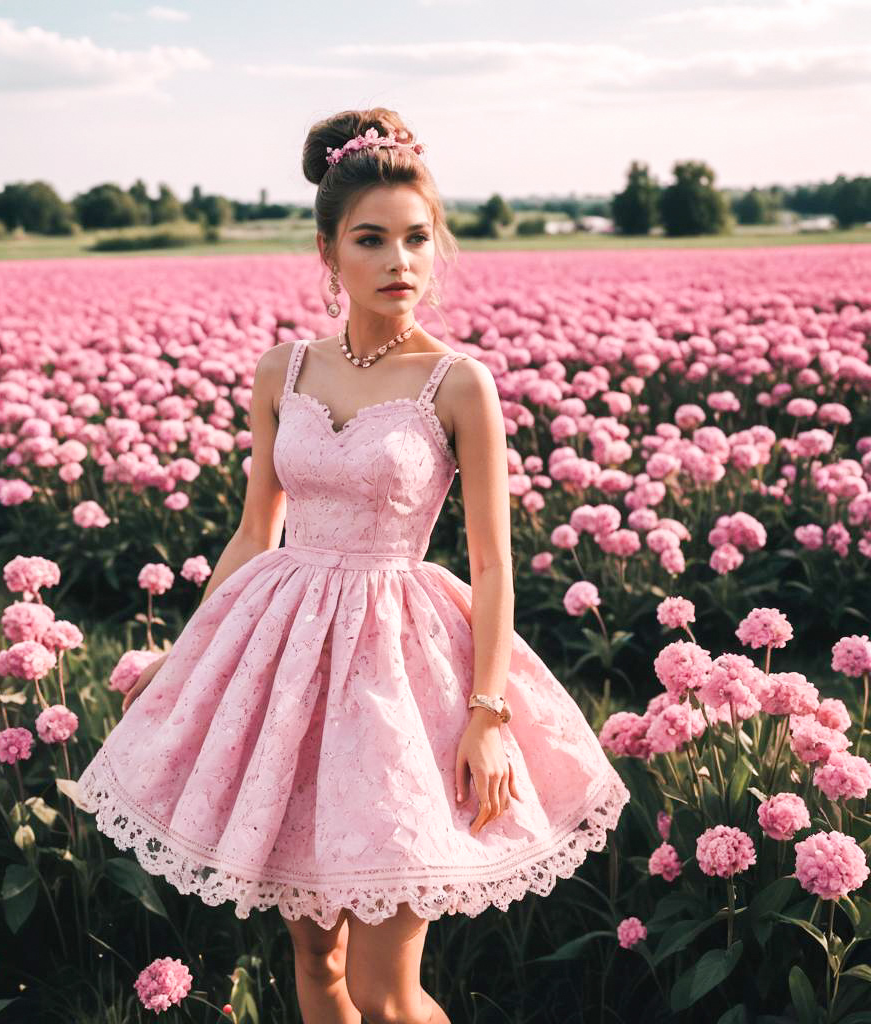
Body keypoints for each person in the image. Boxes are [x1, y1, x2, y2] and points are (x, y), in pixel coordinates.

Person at [75, 107, 631, 1024]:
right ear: (328, 251)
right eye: (372, 240)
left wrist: (488, 717)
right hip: (284, 665)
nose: (400, 262)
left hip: (398, 675)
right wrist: (182, 660)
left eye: (418, 239)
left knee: (387, 988)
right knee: (318, 962)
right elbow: (257, 532)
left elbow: (493, 565)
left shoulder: (458, 382)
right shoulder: (282, 370)